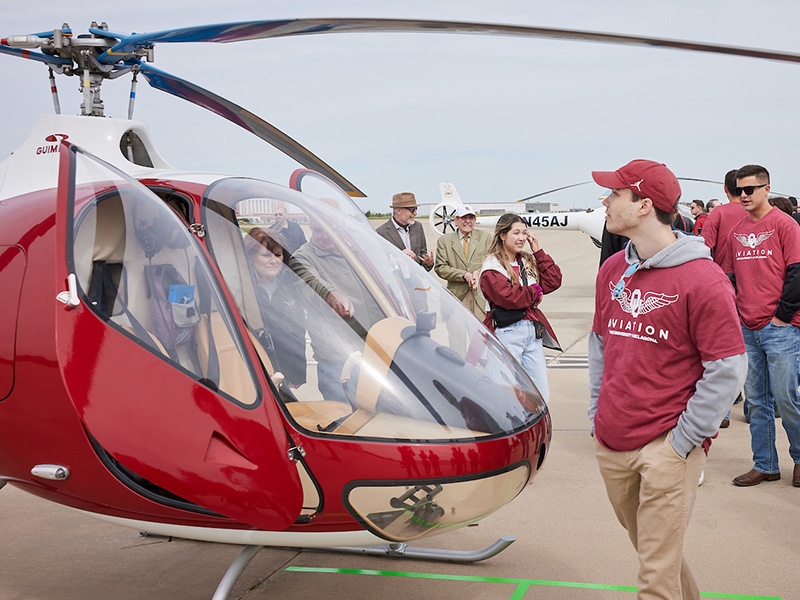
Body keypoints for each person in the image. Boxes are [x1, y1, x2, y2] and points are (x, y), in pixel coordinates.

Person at [588, 159, 746, 600]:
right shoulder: (612, 271)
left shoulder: (703, 278)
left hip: (667, 448)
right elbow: (600, 344)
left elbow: (728, 367)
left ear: (643, 206)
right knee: (656, 554)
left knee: (654, 579)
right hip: (612, 440)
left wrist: (682, 443)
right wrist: (595, 416)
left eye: (615, 194)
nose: (605, 200)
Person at [729, 165, 800, 489]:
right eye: (739, 190)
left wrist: (781, 316)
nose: (743, 195)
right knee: (756, 401)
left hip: (781, 329)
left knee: (786, 399)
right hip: (747, 327)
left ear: (767, 188)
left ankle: (799, 460)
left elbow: (797, 274)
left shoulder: (785, 225)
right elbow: (730, 278)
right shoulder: (736, 231)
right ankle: (765, 465)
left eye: (750, 189)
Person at [294, 220, 384, 402]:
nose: (325, 235)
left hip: (374, 352)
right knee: (343, 419)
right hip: (338, 358)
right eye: (319, 230)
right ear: (310, 227)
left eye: (331, 229)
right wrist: (331, 295)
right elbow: (309, 282)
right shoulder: (303, 257)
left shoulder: (355, 254)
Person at [479, 213, 561, 402]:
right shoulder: (492, 266)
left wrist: (538, 252)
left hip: (531, 334)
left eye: (524, 233)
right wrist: (535, 292)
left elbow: (554, 280)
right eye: (516, 233)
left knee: (539, 394)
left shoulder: (526, 261)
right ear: (502, 235)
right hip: (506, 332)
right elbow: (508, 297)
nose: (522, 238)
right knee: (503, 392)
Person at [245, 228, 307, 388]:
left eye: (278, 255)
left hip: (283, 372)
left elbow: (298, 330)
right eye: (266, 255)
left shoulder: (291, 285)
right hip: (253, 371)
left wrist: (298, 372)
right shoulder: (242, 288)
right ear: (250, 257)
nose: (273, 260)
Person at [435, 204, 491, 351]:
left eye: (471, 217)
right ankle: (459, 370)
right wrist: (463, 275)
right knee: (457, 340)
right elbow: (440, 267)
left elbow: (492, 261)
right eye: (463, 218)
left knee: (482, 340)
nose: (468, 221)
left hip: (480, 297)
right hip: (456, 298)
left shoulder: (485, 238)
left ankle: (483, 371)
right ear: (456, 221)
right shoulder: (444, 241)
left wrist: (478, 273)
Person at [376, 192, 434, 271]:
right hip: (395, 281)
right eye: (412, 209)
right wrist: (397, 258)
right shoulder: (381, 233)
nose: (415, 213)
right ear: (399, 210)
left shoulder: (418, 227)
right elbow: (378, 263)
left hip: (415, 281)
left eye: (416, 209)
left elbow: (422, 253)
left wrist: (428, 262)